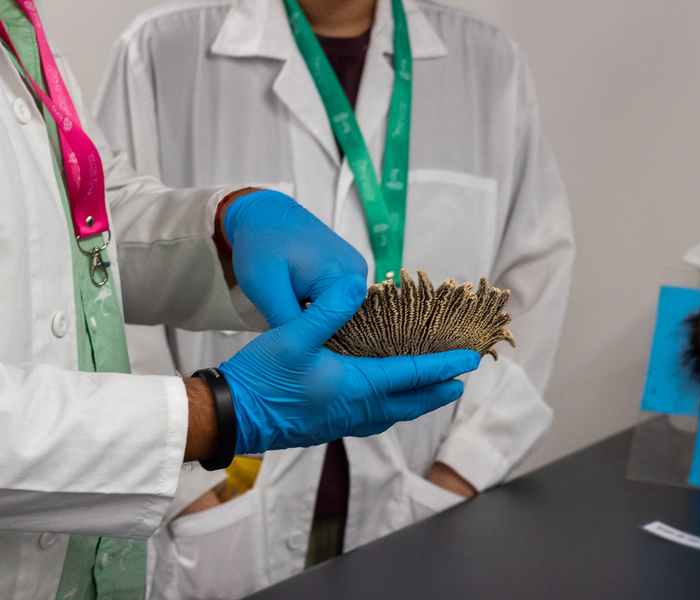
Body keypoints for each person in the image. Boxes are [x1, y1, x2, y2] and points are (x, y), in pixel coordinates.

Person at [0, 0, 482, 598]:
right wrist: (221, 412)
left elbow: (75, 215)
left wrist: (223, 228)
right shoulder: (160, 43)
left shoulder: (16, 22)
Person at [96, 0, 575, 596]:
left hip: (420, 487)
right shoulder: (161, 50)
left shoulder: (489, 63)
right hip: (223, 496)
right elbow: (101, 266)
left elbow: (534, 276)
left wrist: (464, 471)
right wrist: (191, 497)